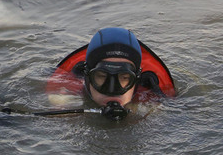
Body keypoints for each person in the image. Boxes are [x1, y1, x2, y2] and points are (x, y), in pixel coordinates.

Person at [46, 27, 176, 117]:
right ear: (87, 76)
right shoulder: (65, 94)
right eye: (102, 76)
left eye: (124, 77)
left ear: (137, 80)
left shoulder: (153, 101)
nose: (112, 89)